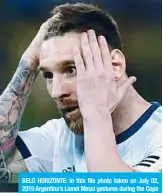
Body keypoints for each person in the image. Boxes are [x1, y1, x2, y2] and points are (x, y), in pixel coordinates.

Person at [0, 2, 162, 183]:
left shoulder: (158, 136)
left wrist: (96, 114)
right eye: (48, 75)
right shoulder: (58, 138)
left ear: (115, 65)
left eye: (71, 69)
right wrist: (30, 61)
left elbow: (112, 186)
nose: (56, 92)